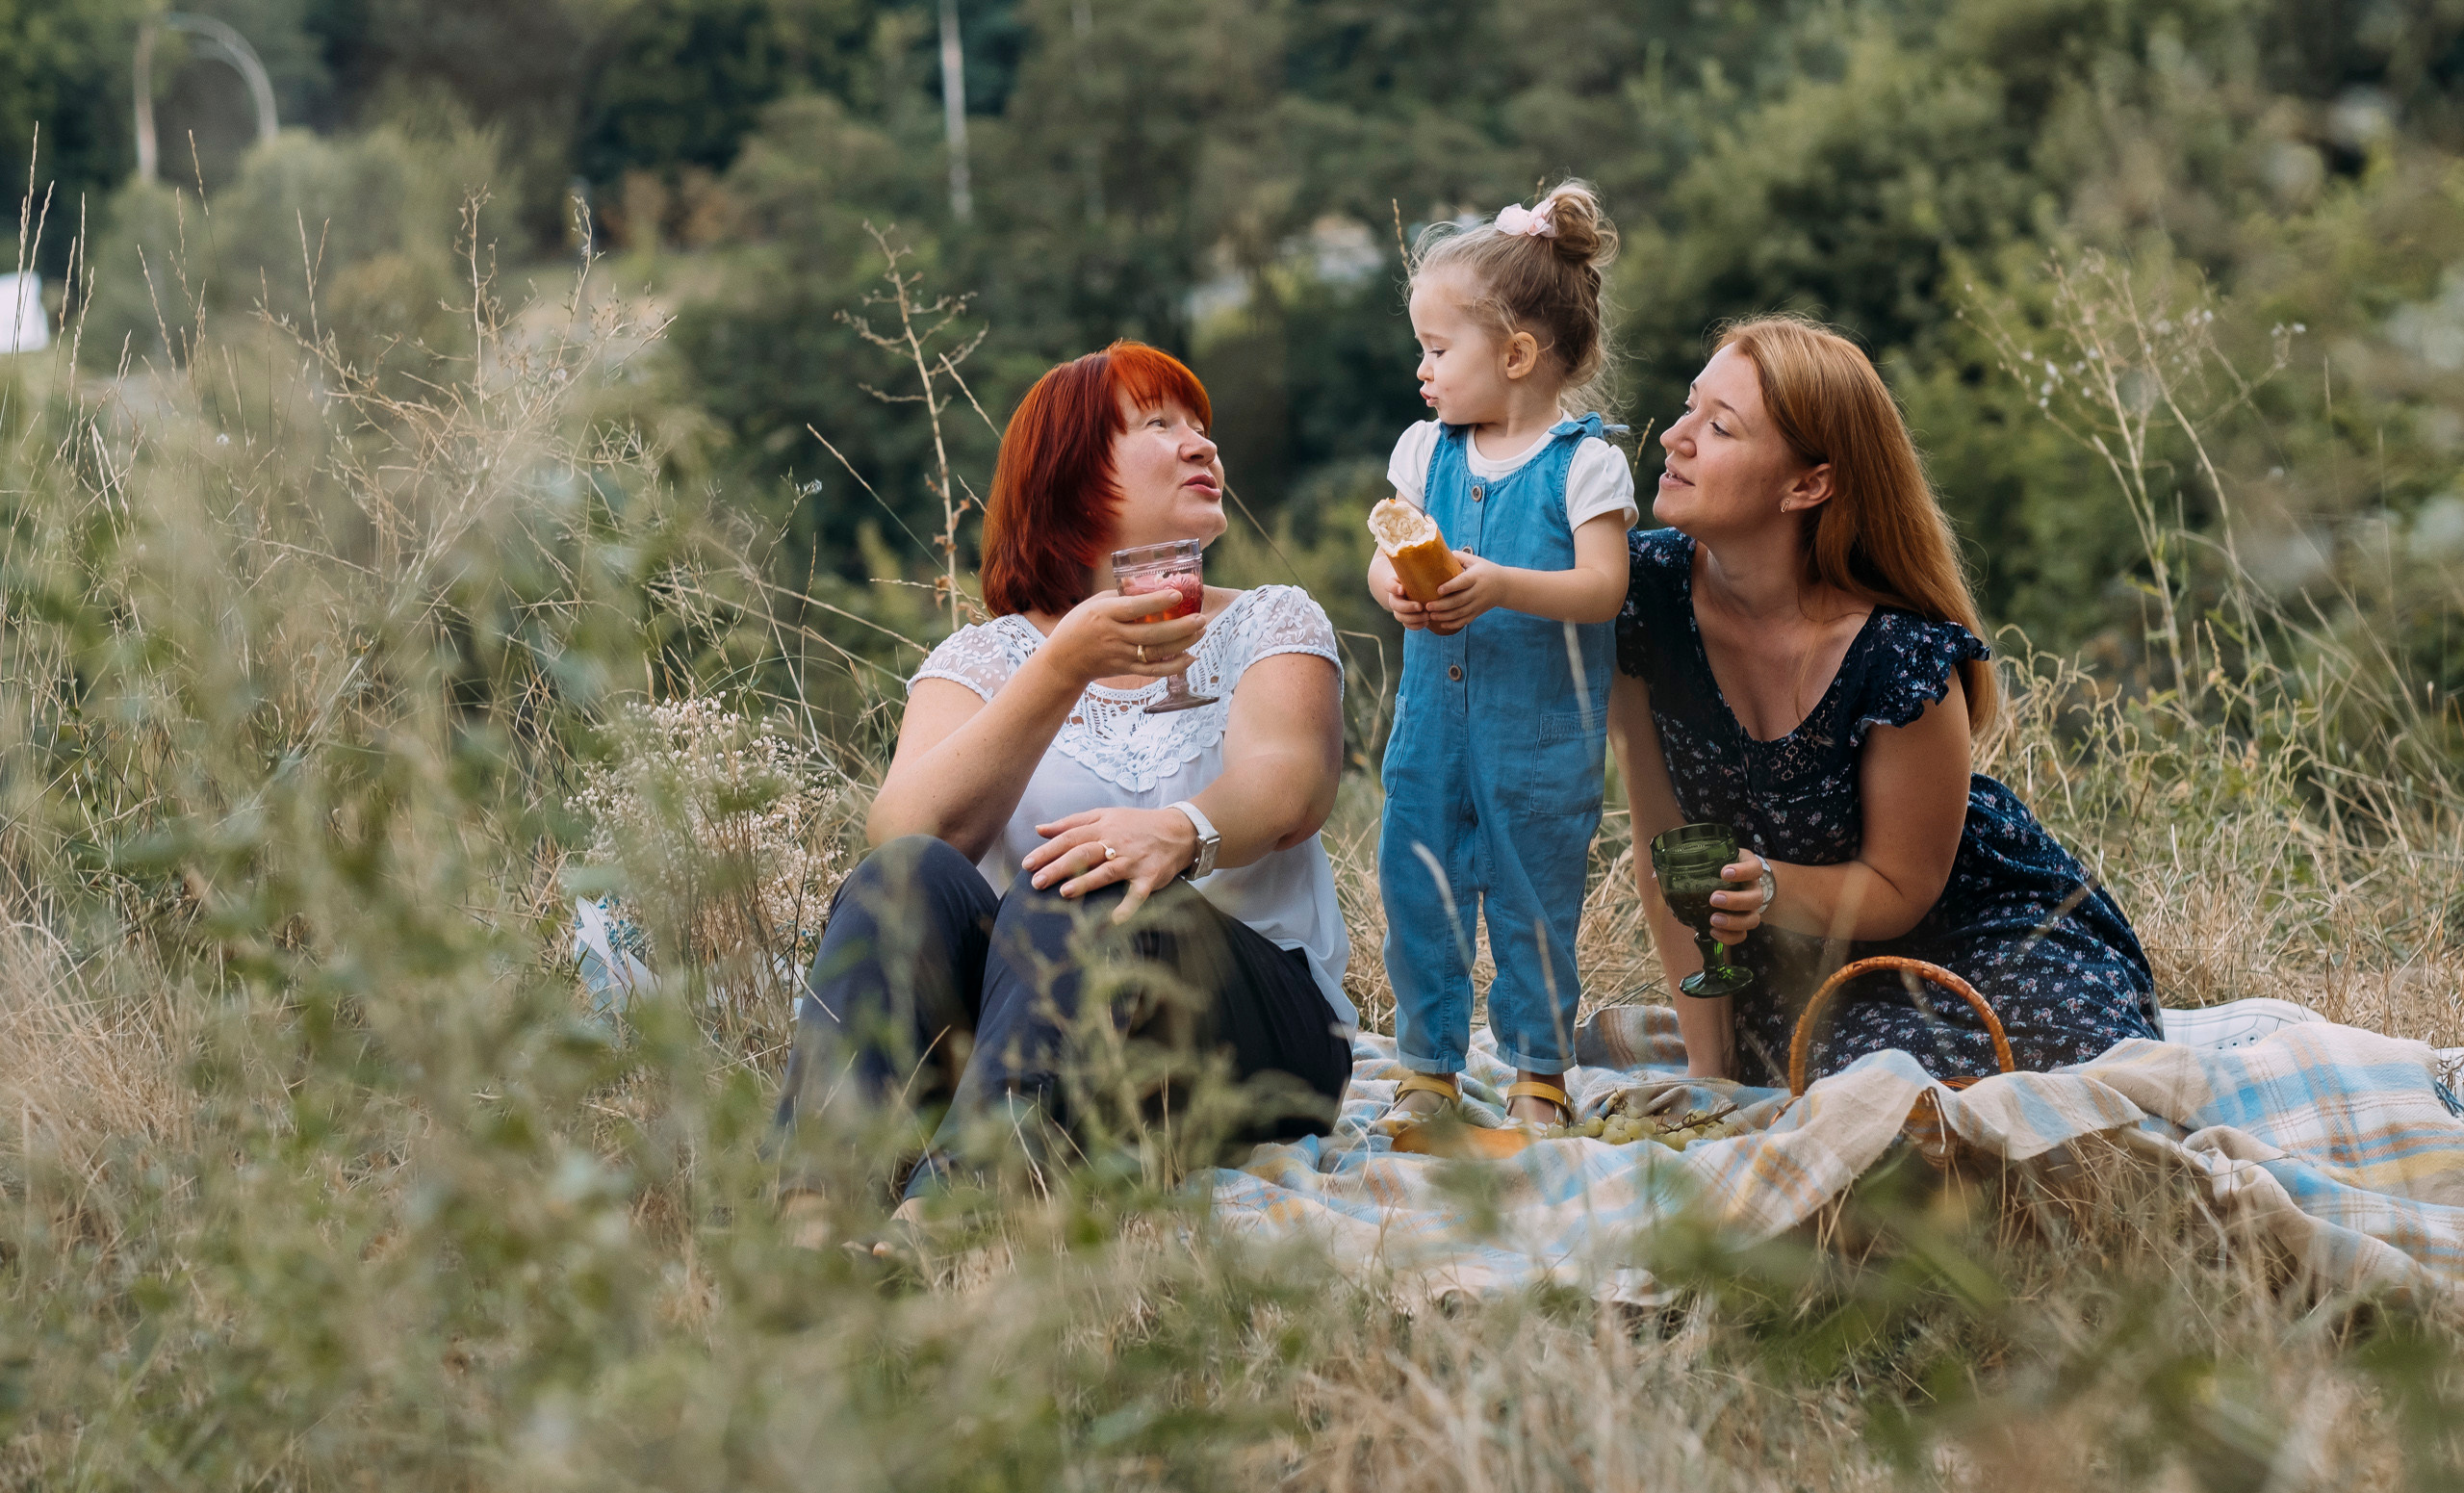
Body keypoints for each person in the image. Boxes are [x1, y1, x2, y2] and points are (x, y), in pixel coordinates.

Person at [778, 340, 1355, 1193]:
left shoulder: (1270, 622)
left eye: (1204, 427)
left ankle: (960, 1213)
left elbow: (1289, 786)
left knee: (1077, 874)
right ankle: (814, 1211)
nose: (1203, 445)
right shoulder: (981, 660)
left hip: (1254, 1029)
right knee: (910, 876)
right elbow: (905, 833)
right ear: (1071, 473)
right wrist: (1061, 665)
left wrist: (1175, 832)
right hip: (1036, 1028)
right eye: (1160, 425)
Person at [1609, 314, 2161, 1088]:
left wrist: (1767, 884)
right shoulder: (1642, 601)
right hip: (1806, 962)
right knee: (1851, 1071)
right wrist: (1710, 1070)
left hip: (1985, 931)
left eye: (1720, 427)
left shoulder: (1899, 656)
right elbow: (1661, 845)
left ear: (1808, 484)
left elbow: (1902, 886)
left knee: (1953, 1078)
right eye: (1690, 405)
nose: (1675, 436)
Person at [1364, 180, 1636, 1127]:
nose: (1422, 371)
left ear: (1517, 355)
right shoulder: (1422, 451)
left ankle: (1535, 1079)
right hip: (1430, 737)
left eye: (1438, 350)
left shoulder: (1585, 464)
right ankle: (1426, 1075)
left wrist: (1503, 583)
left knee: (1531, 915)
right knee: (1420, 900)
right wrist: (1391, 586)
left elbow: (1604, 588)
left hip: (1538, 746)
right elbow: (1379, 558)